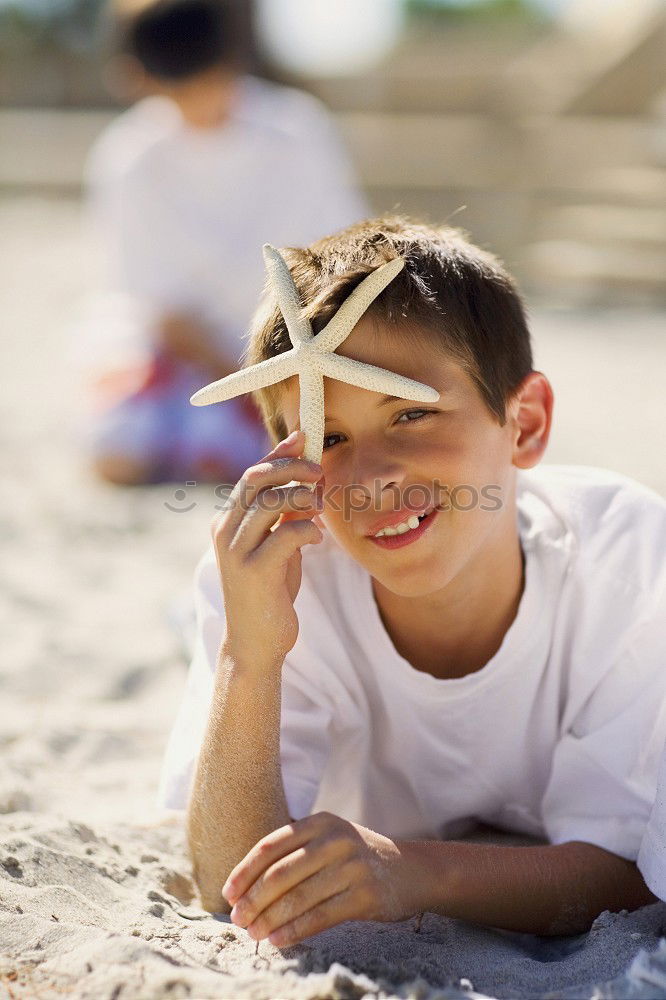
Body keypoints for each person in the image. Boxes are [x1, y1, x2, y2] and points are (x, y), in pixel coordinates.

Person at [157, 217, 665, 945]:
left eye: (412, 414)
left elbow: (635, 877)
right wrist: (250, 652)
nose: (370, 478)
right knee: (207, 634)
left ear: (524, 424)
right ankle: (193, 632)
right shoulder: (272, 576)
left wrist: (412, 873)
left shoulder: (630, 562)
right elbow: (229, 878)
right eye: (327, 436)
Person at [80, 0, 366, 485]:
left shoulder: (296, 131)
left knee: (230, 458)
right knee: (115, 456)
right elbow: (155, 307)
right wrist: (235, 379)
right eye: (181, 87)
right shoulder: (129, 157)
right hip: (182, 353)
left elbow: (345, 259)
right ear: (139, 78)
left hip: (288, 349)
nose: (200, 100)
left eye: (208, 80)